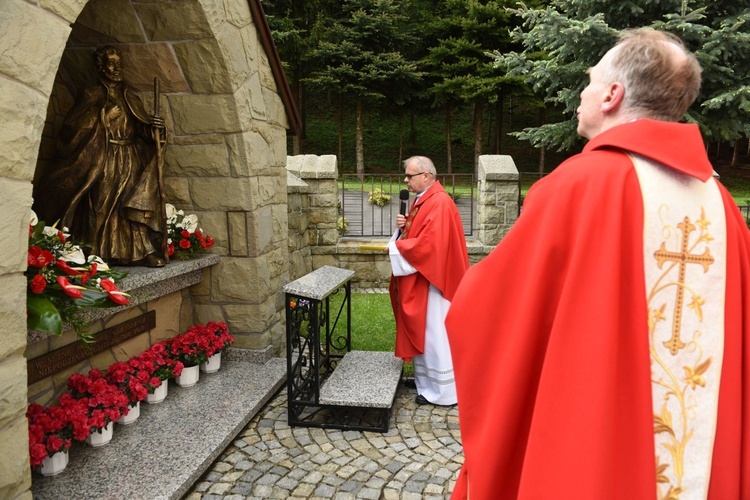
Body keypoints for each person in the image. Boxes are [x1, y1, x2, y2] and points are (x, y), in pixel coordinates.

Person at [445, 28, 750, 499]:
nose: (582, 92)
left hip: (589, 445)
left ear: (612, 94)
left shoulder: (578, 186)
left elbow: (487, 312)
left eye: (590, 80)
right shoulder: (723, 208)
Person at [36, 45, 167, 267]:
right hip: (103, 157)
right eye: (112, 63)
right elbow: (71, 130)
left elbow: (141, 131)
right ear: (101, 67)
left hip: (129, 157)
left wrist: (155, 129)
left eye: (119, 64)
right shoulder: (91, 94)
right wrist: (103, 116)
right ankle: (95, 252)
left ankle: (141, 252)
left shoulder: (130, 97)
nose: (117, 68)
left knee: (130, 205)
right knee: (100, 206)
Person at [387, 156, 469, 406]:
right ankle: (428, 383)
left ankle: (444, 391)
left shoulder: (440, 202)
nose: (405, 180)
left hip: (436, 281)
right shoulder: (426, 199)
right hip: (426, 276)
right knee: (427, 331)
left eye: (409, 176)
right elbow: (421, 231)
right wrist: (404, 227)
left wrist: (397, 248)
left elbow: (432, 244)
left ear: (427, 176)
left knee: (435, 332)